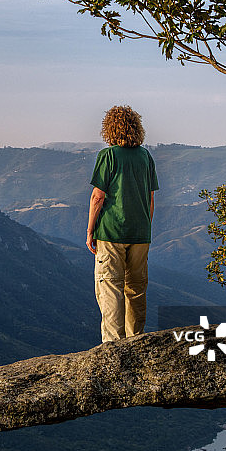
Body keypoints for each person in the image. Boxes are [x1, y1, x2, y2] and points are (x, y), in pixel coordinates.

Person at [86, 105, 159, 342]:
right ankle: (135, 339)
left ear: (110, 129)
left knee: (110, 288)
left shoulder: (108, 156)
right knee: (136, 290)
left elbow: (98, 196)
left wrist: (90, 231)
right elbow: (150, 198)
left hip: (111, 231)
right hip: (140, 233)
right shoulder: (145, 156)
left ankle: (113, 346)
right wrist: (145, 226)